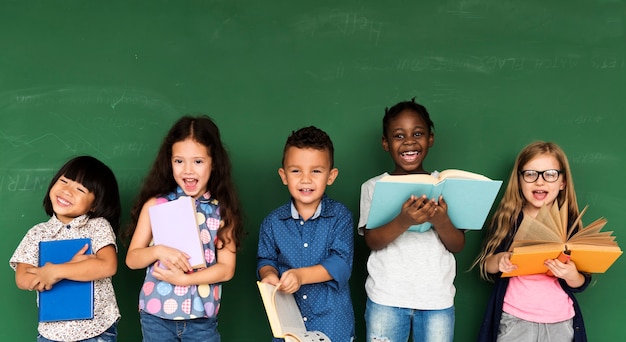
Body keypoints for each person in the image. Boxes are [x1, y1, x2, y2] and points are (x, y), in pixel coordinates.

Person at [125, 115, 244, 342]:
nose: (187, 170)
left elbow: (226, 269)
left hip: (201, 318)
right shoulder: (156, 205)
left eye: (198, 162)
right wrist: (158, 250)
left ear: (214, 163)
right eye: (179, 161)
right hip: (156, 315)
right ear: (169, 162)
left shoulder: (224, 212)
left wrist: (185, 280)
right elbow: (132, 259)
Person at [358, 99, 465, 342]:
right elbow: (373, 241)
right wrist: (403, 220)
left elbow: (457, 245)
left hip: (437, 299)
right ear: (385, 143)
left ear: (430, 139)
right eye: (398, 135)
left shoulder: (445, 185)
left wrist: (441, 220)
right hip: (386, 298)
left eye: (418, 133)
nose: (409, 141)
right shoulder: (373, 187)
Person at [473, 141, 591, 342]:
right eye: (530, 174)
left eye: (550, 174)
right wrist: (500, 260)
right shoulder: (507, 219)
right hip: (514, 319)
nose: (540, 181)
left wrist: (572, 275)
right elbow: (486, 265)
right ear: (520, 180)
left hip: (560, 321)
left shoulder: (570, 225)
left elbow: (581, 281)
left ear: (562, 182)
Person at [257, 126, 355, 341]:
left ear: (331, 176)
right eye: (296, 171)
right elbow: (266, 259)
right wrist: (269, 275)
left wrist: (300, 276)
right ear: (283, 175)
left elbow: (340, 263)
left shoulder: (340, 216)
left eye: (316, 171)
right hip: (288, 324)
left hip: (332, 324)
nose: (306, 179)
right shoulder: (272, 222)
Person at [10, 155, 122, 342]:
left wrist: (56, 271)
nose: (67, 191)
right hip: (51, 333)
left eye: (80, 189)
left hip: (96, 330)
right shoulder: (37, 233)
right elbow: (22, 278)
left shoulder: (98, 226)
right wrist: (52, 273)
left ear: (95, 204)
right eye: (64, 181)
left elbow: (107, 266)